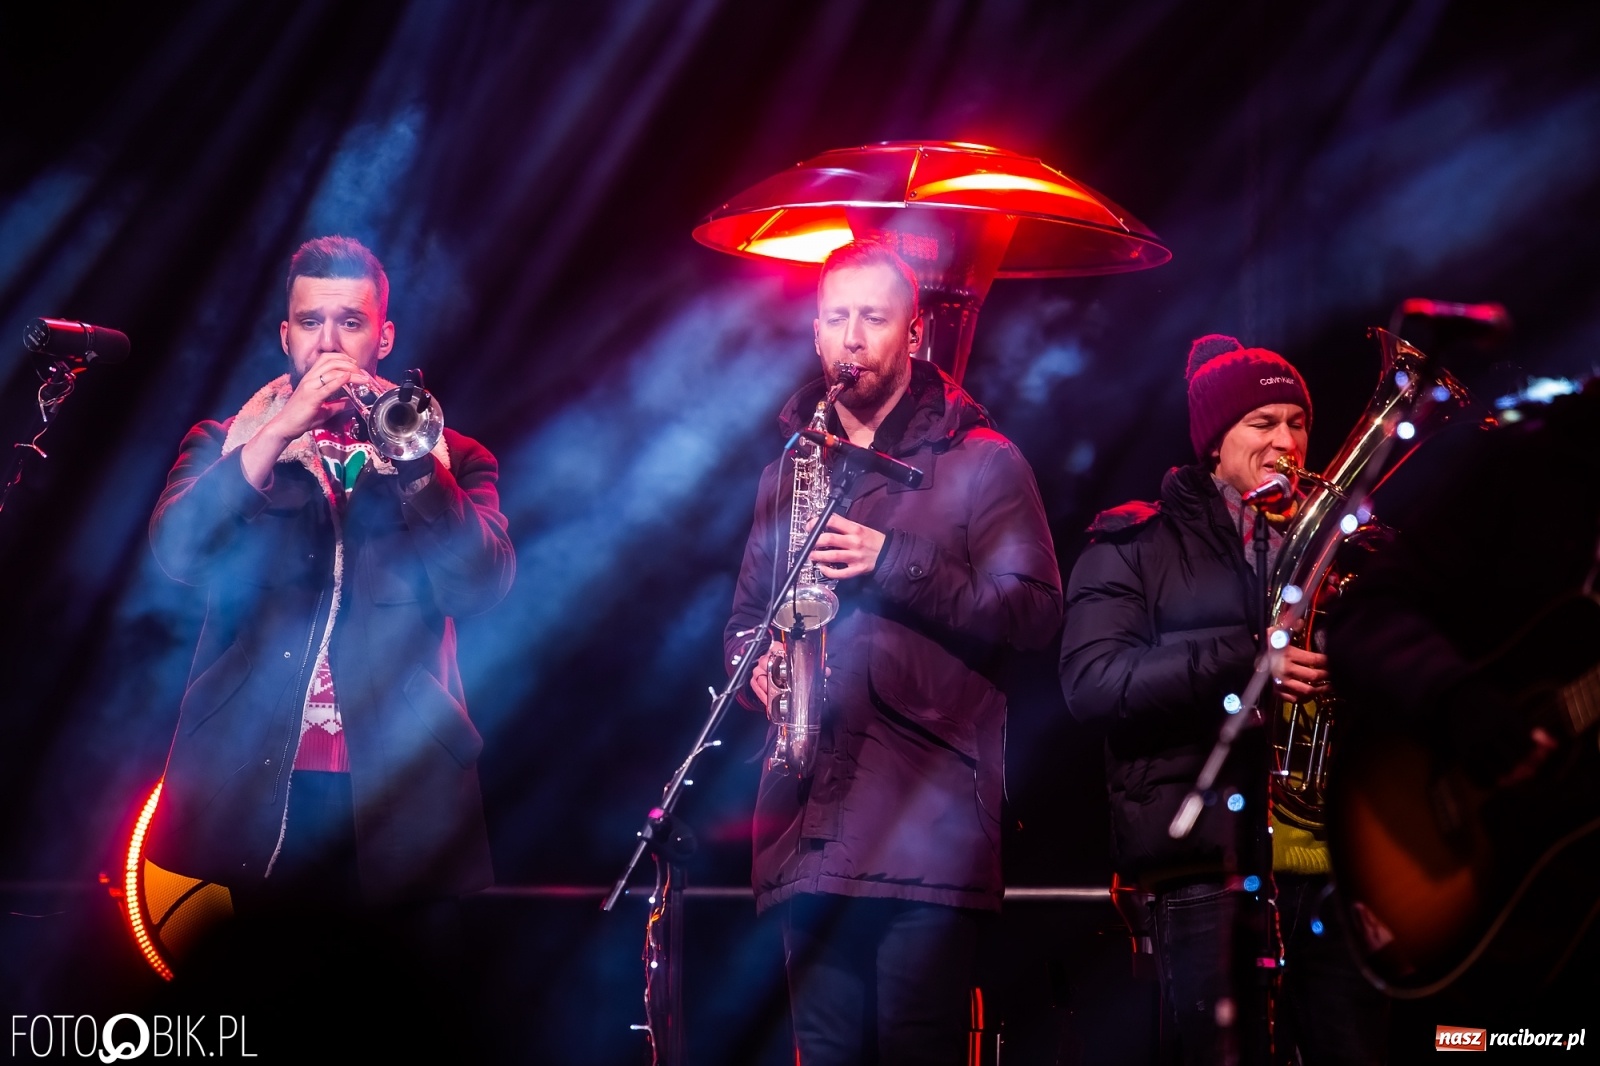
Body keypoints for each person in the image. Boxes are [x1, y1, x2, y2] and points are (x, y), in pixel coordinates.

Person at [724, 240, 1062, 1064]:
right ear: (812, 334)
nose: (852, 336)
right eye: (836, 317)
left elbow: (1035, 612)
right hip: (807, 821)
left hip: (930, 824)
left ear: (913, 336)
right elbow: (741, 624)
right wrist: (758, 674)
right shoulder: (787, 472)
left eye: (873, 318)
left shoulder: (985, 463)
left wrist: (893, 561)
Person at [146, 236, 514, 940]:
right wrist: (279, 430)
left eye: (351, 321)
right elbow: (179, 553)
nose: (329, 343)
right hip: (251, 783)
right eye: (311, 323)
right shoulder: (227, 443)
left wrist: (412, 463)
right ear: (286, 336)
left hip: (399, 787)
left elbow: (481, 585)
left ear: (384, 337)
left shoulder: (455, 458)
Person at [1058, 335, 1385, 1064]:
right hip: (1211, 868)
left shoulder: (1342, 546)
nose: (1286, 443)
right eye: (1261, 424)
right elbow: (1092, 683)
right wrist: (1248, 656)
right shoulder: (1135, 543)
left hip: (1340, 871)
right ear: (1214, 442)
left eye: (1296, 423)